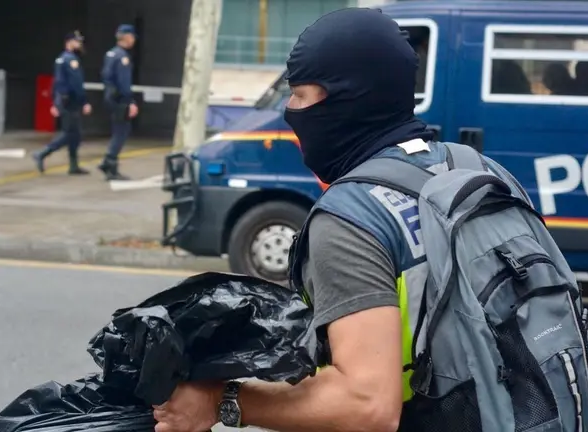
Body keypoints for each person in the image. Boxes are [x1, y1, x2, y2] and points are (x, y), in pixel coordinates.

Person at [150, 8, 531, 432]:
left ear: (347, 99)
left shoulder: (352, 218)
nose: (290, 110)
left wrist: (223, 402)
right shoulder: (483, 172)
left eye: (299, 94)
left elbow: (367, 405)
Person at [33, 31, 92, 175]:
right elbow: (76, 84)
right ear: (69, 42)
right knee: (70, 134)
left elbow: (56, 82)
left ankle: (73, 165)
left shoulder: (60, 59)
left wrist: (54, 101)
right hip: (71, 101)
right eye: (77, 41)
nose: (79, 44)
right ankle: (42, 153)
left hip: (63, 100)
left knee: (75, 134)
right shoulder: (71, 60)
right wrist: (84, 101)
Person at [99, 24, 139, 181]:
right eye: (132, 37)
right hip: (120, 99)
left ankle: (108, 164)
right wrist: (130, 102)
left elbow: (105, 76)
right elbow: (124, 83)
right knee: (121, 132)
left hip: (111, 97)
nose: (133, 40)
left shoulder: (111, 53)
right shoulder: (122, 57)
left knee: (118, 131)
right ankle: (109, 164)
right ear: (127, 37)